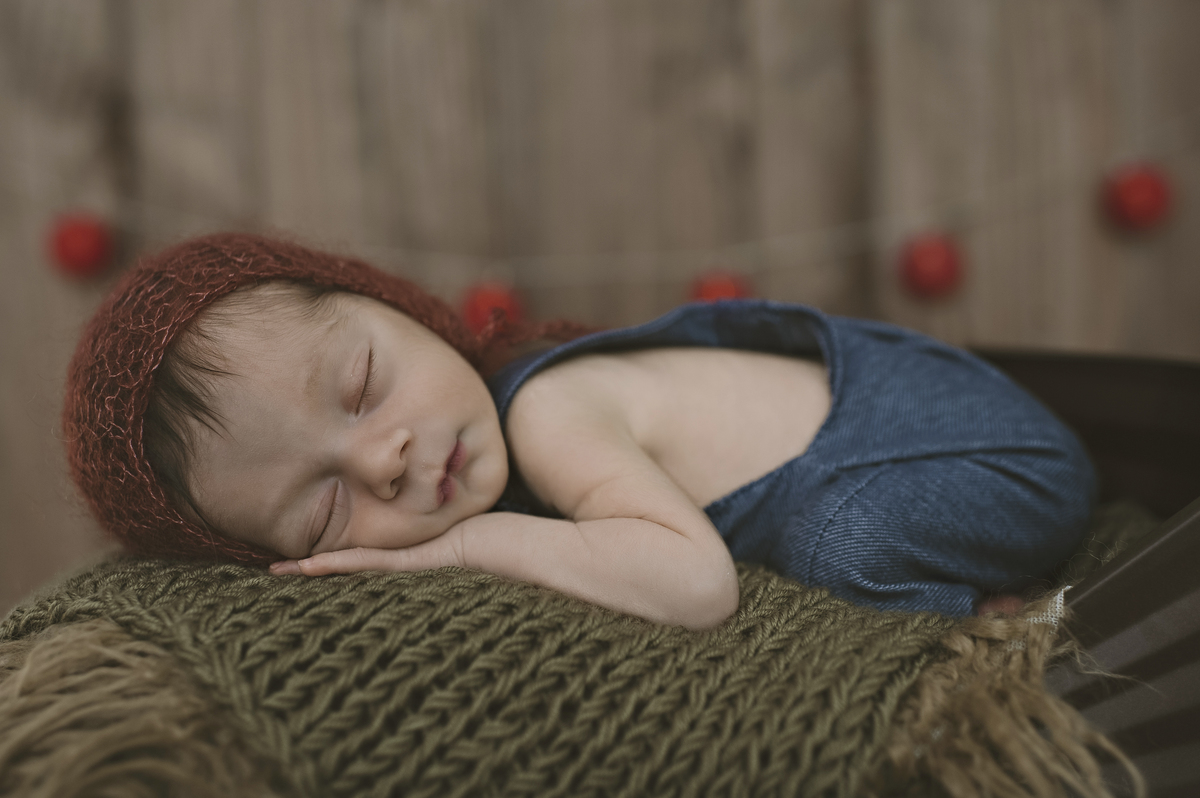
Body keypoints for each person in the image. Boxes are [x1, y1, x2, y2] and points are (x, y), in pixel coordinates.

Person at [63, 233, 1095, 630]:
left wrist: (470, 546)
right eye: (327, 507)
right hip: (926, 437)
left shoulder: (550, 412)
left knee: (844, 547)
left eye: (364, 384)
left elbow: (699, 586)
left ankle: (990, 627)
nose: (383, 459)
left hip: (966, 450)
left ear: (396, 308)